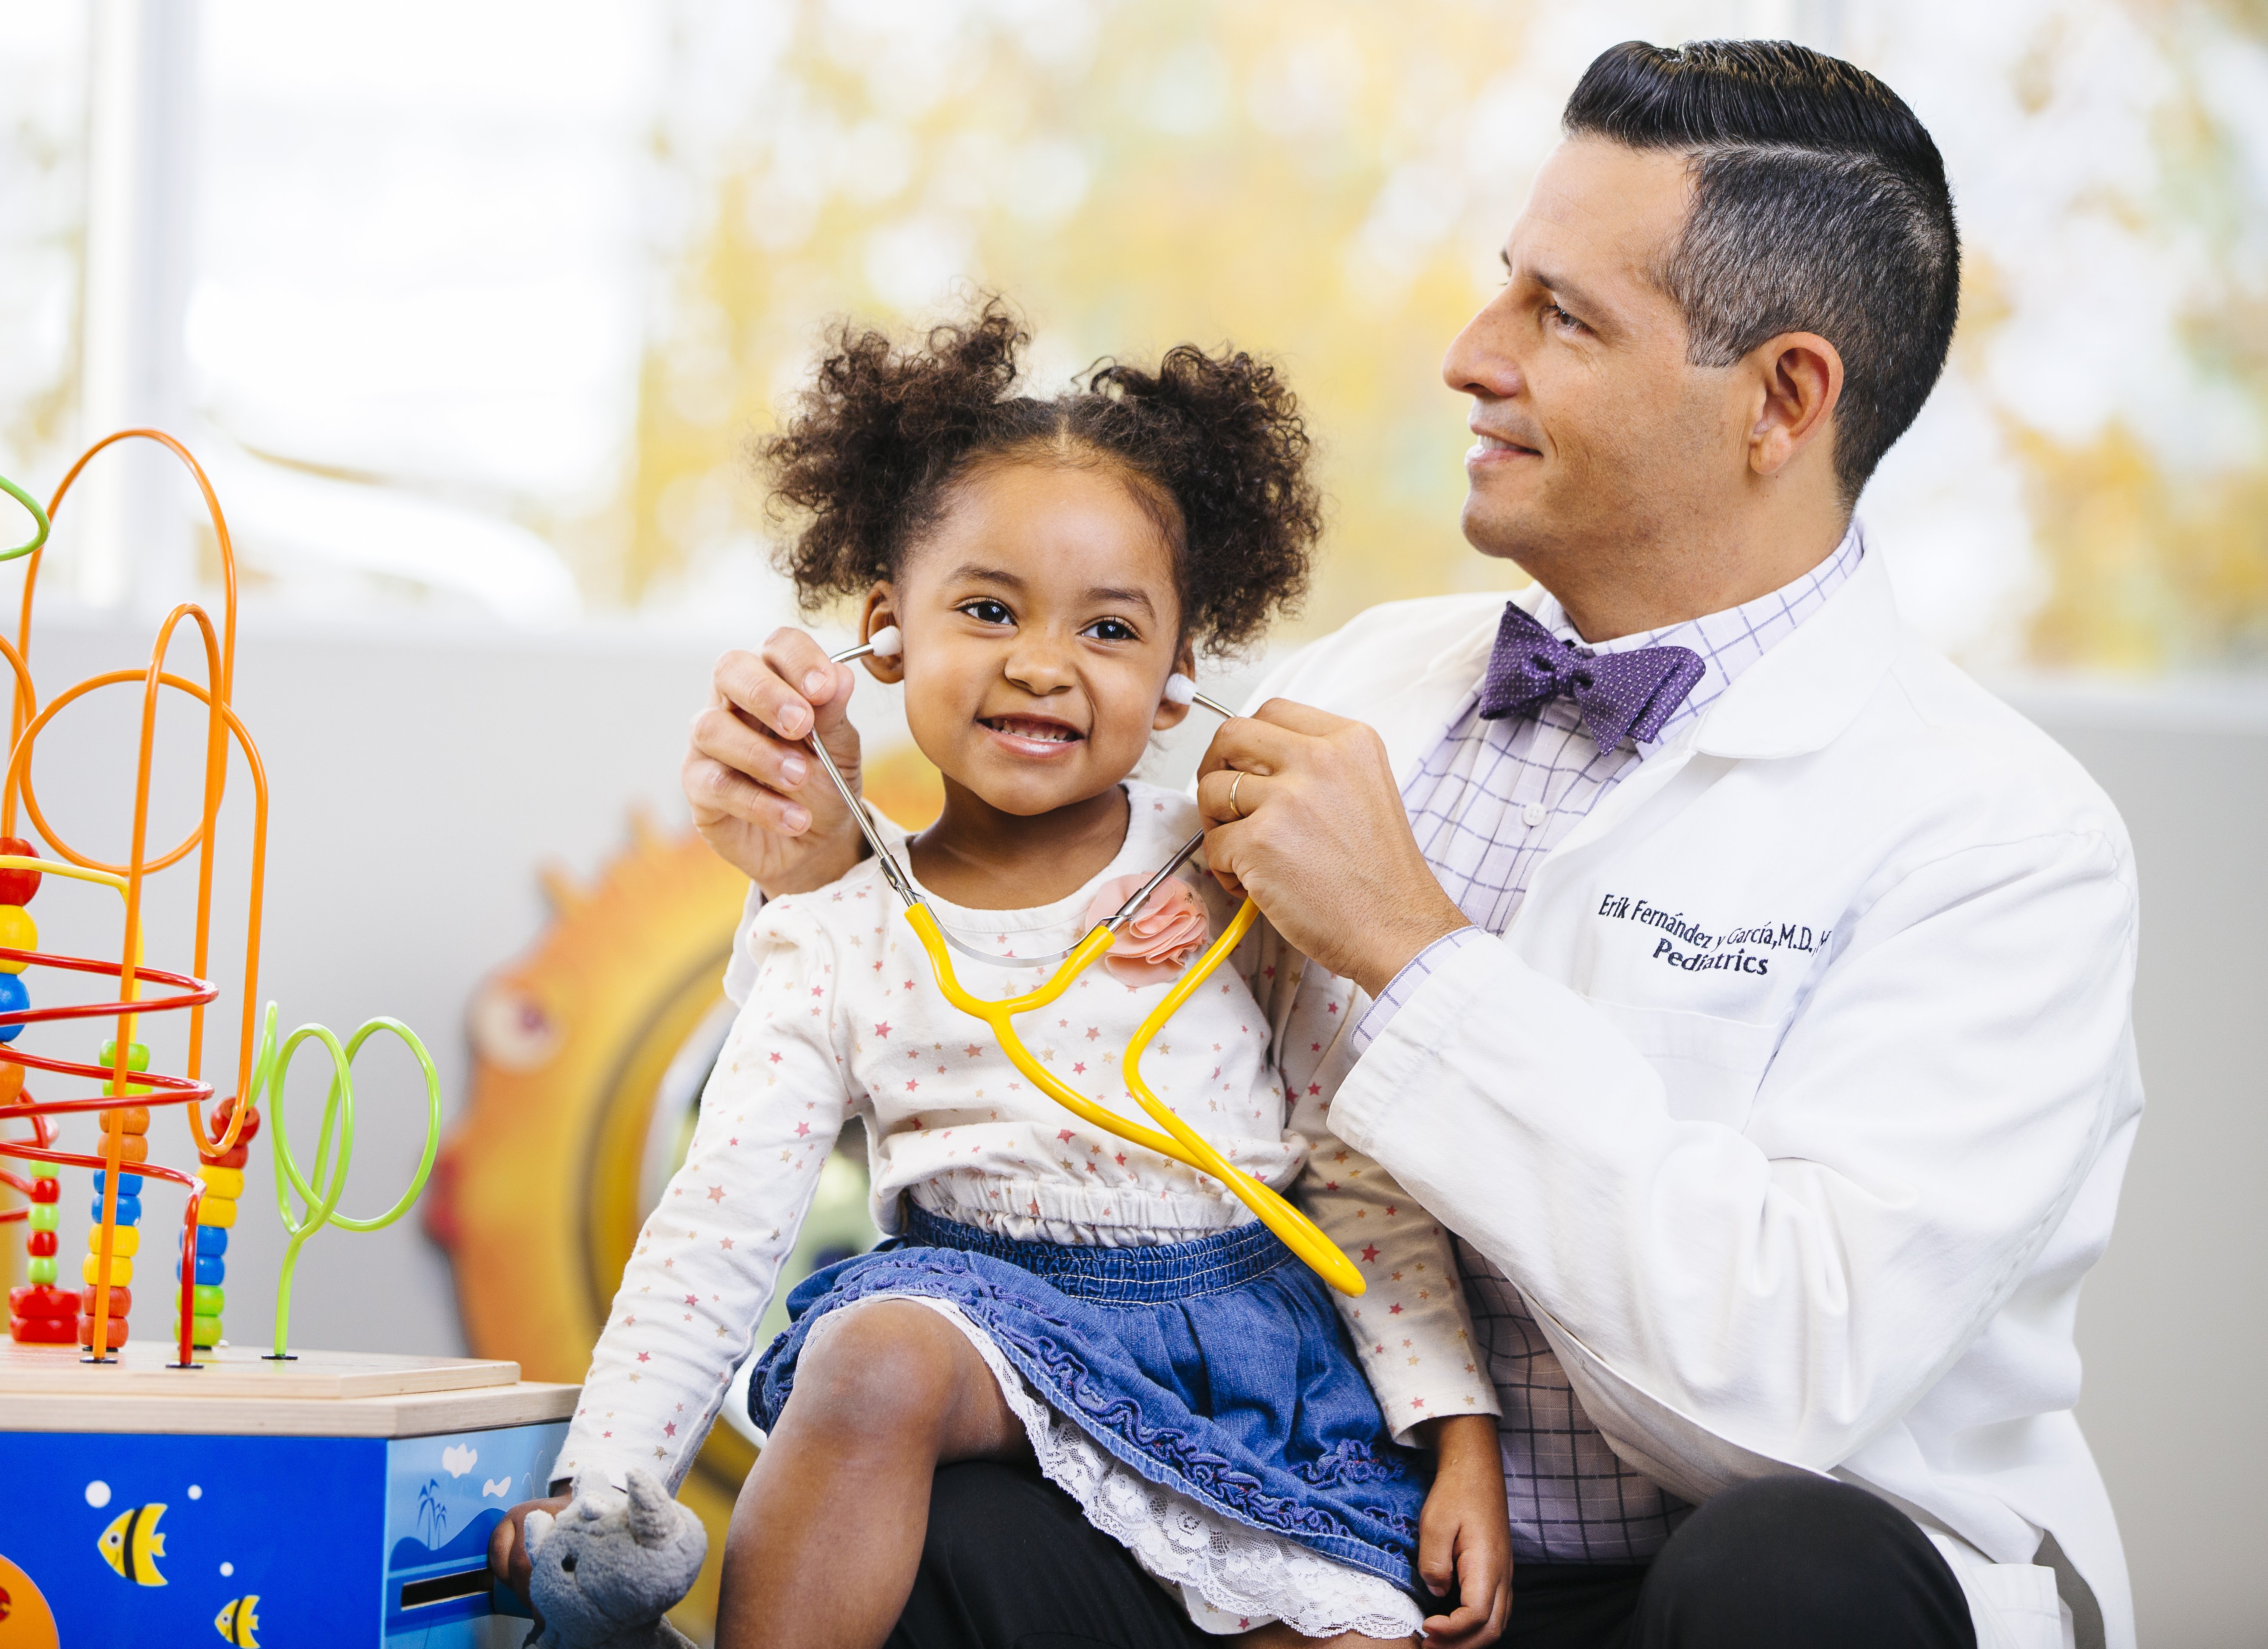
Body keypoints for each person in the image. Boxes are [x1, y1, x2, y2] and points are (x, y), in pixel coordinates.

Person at [681, 39, 2142, 1649]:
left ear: (1783, 399)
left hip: (1709, 1586)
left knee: (1789, 1574)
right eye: (1502, 286)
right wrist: (822, 870)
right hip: (1333, 1539)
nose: (1469, 355)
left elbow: (1776, 1399)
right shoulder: (1359, 686)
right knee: (946, 1513)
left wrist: (1414, 957)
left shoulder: (2007, 843)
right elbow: (955, 1107)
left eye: (1560, 316)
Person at [496, 304, 1517, 1649]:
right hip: (971, 1339)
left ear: (1175, 683)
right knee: (879, 1353)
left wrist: (1460, 1440)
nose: (1042, 663)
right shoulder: (839, 931)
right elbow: (718, 1223)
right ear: (885, 631)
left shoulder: (1239, 878)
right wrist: (608, 1482)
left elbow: (1355, 1174)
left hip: (1248, 1389)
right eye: (987, 610)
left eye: (1109, 630)